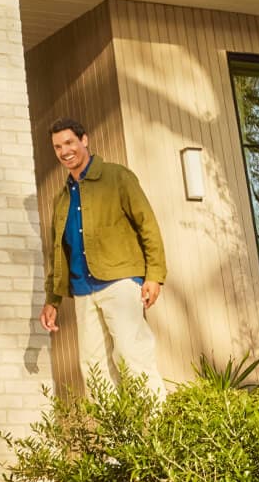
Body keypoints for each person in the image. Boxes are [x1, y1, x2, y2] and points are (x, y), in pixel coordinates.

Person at [39, 119, 168, 397]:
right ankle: (115, 437)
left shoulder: (117, 176)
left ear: (84, 140)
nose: (64, 151)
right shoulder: (61, 198)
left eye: (69, 143)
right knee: (94, 367)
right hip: (83, 290)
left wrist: (154, 276)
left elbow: (148, 225)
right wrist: (52, 299)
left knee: (133, 356)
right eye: (57, 147)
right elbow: (58, 252)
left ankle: (158, 431)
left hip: (119, 281)